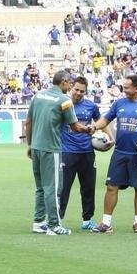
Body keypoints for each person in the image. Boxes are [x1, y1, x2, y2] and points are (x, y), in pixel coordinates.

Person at [89, 74, 137, 234]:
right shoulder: (119, 103)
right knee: (111, 187)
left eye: (126, 87)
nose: (123, 90)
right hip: (119, 153)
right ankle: (106, 223)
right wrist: (94, 127)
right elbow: (106, 119)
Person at [22, 69, 90, 236]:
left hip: (36, 147)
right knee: (53, 188)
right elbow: (74, 126)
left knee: (40, 187)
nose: (71, 85)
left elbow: (28, 122)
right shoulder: (64, 100)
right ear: (64, 82)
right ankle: (54, 225)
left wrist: (30, 145)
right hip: (51, 149)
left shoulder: (38, 95)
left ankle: (38, 222)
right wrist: (89, 129)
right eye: (70, 82)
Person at [58, 76, 101, 231]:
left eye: (82, 91)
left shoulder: (91, 106)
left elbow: (101, 121)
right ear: (71, 87)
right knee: (63, 188)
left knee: (89, 187)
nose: (78, 93)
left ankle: (87, 220)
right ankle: (58, 219)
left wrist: (110, 138)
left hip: (87, 152)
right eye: (76, 89)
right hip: (67, 152)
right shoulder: (63, 104)